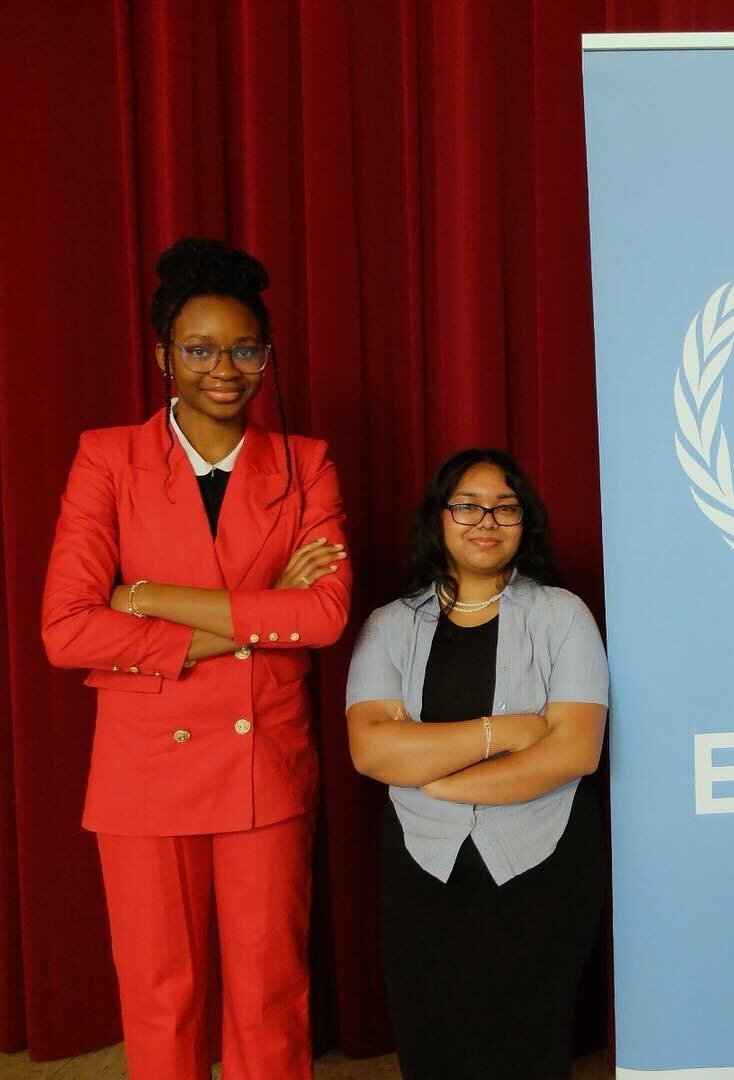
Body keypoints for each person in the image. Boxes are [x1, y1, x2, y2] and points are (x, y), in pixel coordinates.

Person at [40, 237, 352, 1080]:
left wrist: (144, 599)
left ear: (267, 355)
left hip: (266, 763)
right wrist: (257, 620)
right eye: (200, 349)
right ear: (163, 358)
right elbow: (67, 630)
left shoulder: (305, 462)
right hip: (145, 769)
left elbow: (322, 615)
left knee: (269, 994)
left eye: (244, 348)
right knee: (161, 995)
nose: (225, 368)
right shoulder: (107, 457)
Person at [345, 447, 608, 1080]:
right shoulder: (389, 626)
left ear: (526, 523)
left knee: (527, 1040)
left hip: (540, 860)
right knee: (433, 1036)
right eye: (466, 504)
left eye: (505, 507)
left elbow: (576, 750)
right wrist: (507, 731)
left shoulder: (564, 616)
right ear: (438, 518)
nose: (485, 520)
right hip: (422, 863)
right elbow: (371, 749)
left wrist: (433, 771)